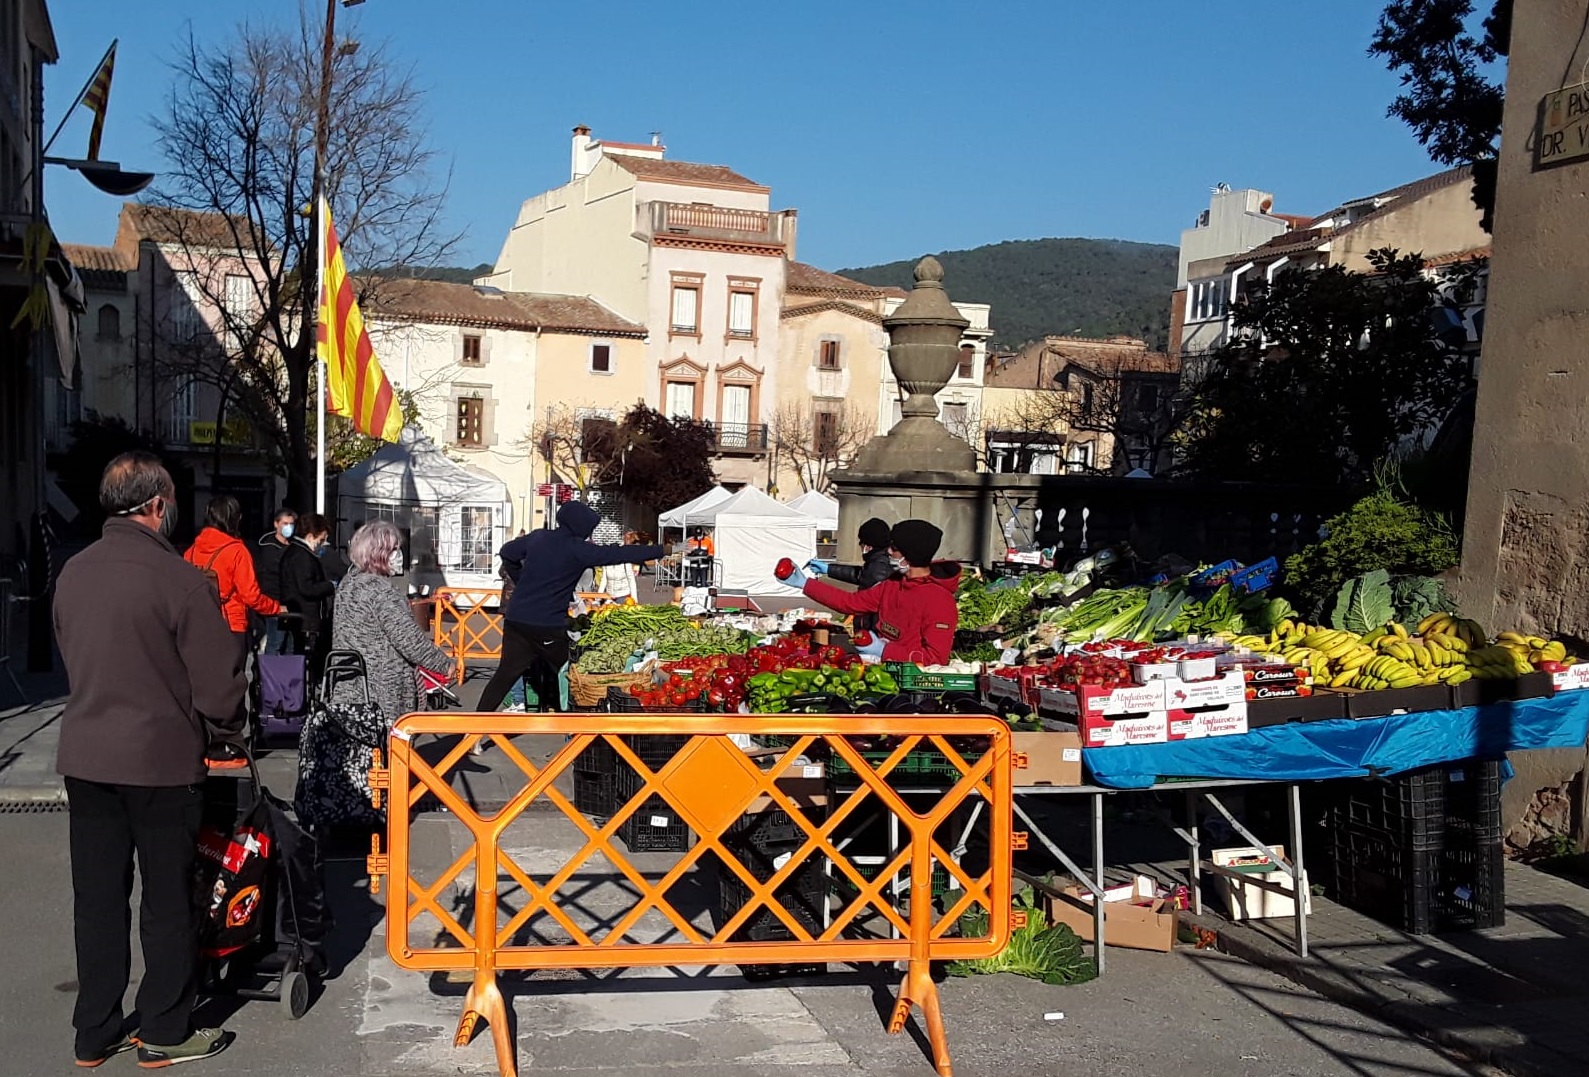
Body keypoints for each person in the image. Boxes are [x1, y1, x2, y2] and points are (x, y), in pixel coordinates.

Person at [53, 452, 242, 1068]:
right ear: (158, 505)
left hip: (86, 757)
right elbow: (219, 689)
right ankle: (164, 1027)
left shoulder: (74, 572)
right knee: (168, 902)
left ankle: (94, 1030)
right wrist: (229, 724)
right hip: (161, 761)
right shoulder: (180, 579)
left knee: (98, 899)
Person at [477, 503, 664, 716]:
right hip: (548, 625)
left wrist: (520, 578)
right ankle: (578, 727)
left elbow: (507, 552)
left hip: (516, 620)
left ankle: (471, 733)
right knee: (574, 671)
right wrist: (663, 550)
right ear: (581, 527)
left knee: (505, 675)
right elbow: (617, 554)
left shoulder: (539, 537)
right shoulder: (578, 549)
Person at [327, 521, 455, 735]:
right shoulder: (382, 591)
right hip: (382, 686)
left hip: (349, 682)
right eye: (393, 549)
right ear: (378, 553)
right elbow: (408, 639)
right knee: (388, 752)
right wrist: (444, 664)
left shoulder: (349, 583)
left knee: (356, 751)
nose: (399, 555)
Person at [779, 520, 960, 665]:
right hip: (880, 668)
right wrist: (805, 584)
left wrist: (884, 651)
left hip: (910, 680)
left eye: (894, 548)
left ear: (910, 556)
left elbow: (936, 658)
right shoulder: (892, 584)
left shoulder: (939, 600)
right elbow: (850, 602)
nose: (888, 551)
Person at [184, 496, 285, 720]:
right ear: (235, 519)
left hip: (197, 626)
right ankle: (228, 738)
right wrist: (276, 608)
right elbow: (251, 595)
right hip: (230, 624)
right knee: (231, 686)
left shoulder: (190, 552)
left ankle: (201, 732)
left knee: (200, 683)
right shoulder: (237, 551)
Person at [804, 517, 894, 632]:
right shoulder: (876, 562)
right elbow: (860, 574)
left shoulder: (878, 566)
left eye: (861, 542)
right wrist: (829, 569)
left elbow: (858, 601)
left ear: (868, 545)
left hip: (873, 628)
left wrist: (806, 584)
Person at [278, 512, 336, 679]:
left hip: (299, 616)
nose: (323, 544)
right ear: (311, 536)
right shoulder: (301, 555)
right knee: (299, 661)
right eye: (322, 539)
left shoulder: (296, 552)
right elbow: (306, 588)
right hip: (303, 618)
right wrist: (329, 586)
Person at [254, 507, 297, 652]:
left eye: (291, 524)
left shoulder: (293, 546)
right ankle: (269, 673)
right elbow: (272, 576)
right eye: (285, 523)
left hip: (290, 603)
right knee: (275, 642)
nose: (288, 527)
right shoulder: (268, 547)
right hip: (274, 602)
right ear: (276, 524)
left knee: (289, 643)